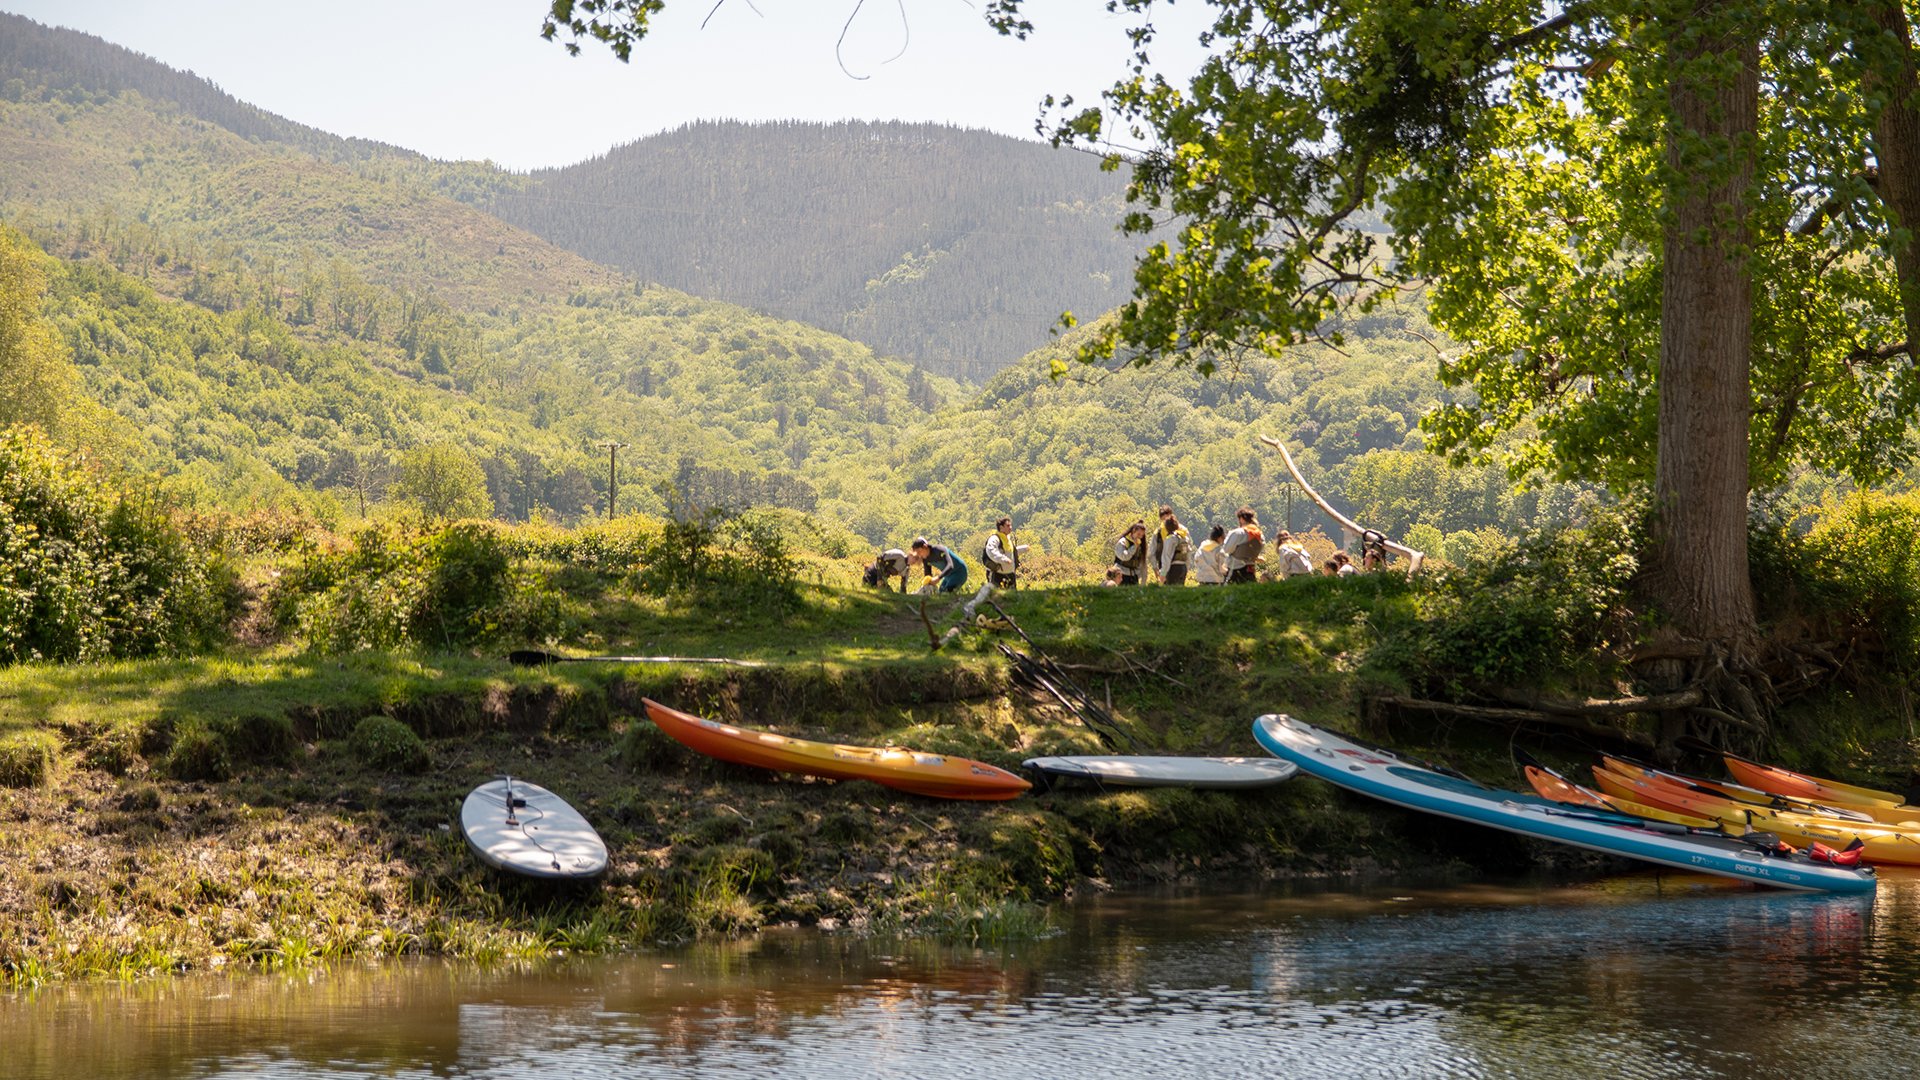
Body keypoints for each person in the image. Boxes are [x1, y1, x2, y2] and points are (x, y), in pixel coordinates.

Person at [1222, 507, 1265, 584]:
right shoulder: (1260, 535)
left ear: (1241, 518)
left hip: (1235, 569)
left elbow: (1226, 549)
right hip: (1251, 569)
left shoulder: (1238, 533)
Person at [983, 516, 1024, 590]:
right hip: (997, 575)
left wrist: (1024, 549)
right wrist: (1003, 559)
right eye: (1008, 526)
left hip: (1010, 574)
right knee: (997, 597)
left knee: (1012, 598)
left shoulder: (1008, 539)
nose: (1010, 527)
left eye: (1010, 525)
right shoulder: (995, 539)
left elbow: (1011, 553)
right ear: (1001, 527)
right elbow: (991, 551)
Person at [1154, 510, 1193, 586]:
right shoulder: (1184, 538)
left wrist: (1163, 574)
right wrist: (1186, 568)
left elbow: (1167, 557)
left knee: (1171, 592)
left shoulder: (1170, 539)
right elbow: (1188, 553)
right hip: (1183, 568)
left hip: (1173, 569)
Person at [1111, 520, 1149, 586]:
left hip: (1134, 577)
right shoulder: (1123, 542)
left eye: (1142, 535)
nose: (1140, 537)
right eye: (1138, 534)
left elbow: (1143, 563)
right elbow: (1124, 557)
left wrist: (1143, 581)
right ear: (1133, 531)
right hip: (1120, 576)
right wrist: (1134, 547)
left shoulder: (1141, 546)